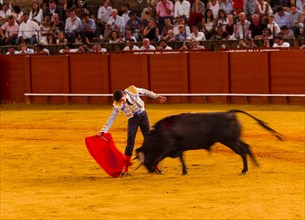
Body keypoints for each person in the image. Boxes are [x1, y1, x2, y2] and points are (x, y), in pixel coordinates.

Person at [98, 85, 167, 176]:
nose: (122, 102)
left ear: (124, 94)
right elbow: (112, 117)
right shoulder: (117, 103)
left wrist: (156, 96)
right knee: (130, 141)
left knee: (149, 140)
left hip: (143, 116)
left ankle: (155, 167)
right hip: (132, 119)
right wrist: (103, 130)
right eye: (120, 101)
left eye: (122, 99)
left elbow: (144, 91)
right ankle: (126, 170)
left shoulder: (132, 90)